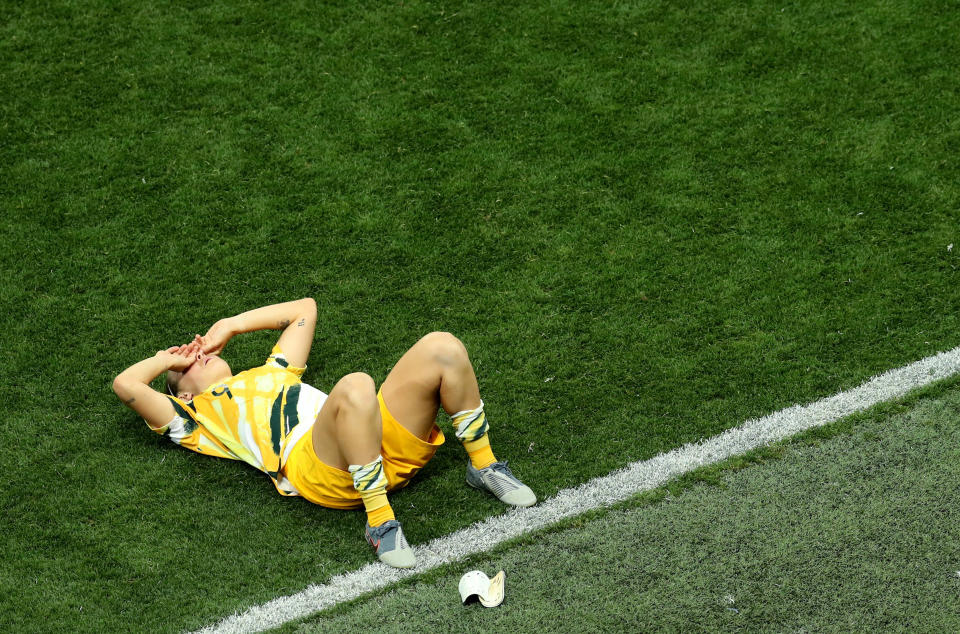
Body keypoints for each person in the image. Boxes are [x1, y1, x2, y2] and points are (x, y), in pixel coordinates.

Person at [112, 298, 536, 568]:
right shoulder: (195, 420)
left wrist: (231, 325)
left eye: (192, 351)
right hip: (322, 467)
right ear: (181, 396)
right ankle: (380, 521)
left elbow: (305, 310)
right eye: (184, 366)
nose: (194, 354)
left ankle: (484, 465)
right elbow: (127, 385)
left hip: (373, 437)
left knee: (441, 346)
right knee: (356, 386)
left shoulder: (271, 372)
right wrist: (164, 358)